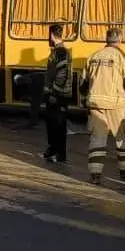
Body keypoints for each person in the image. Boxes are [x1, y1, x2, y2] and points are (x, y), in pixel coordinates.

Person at [80, 27, 125, 184]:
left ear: (106, 39)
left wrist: (87, 96)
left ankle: (95, 174)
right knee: (122, 136)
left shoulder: (93, 56)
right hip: (116, 103)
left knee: (97, 139)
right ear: (120, 40)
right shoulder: (122, 57)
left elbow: (82, 83)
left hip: (95, 103)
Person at [41, 24, 73, 164]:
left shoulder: (60, 52)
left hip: (58, 95)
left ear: (52, 35)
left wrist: (54, 93)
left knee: (58, 125)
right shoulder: (59, 51)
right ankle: (54, 150)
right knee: (53, 123)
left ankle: (59, 154)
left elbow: (61, 74)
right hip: (57, 93)